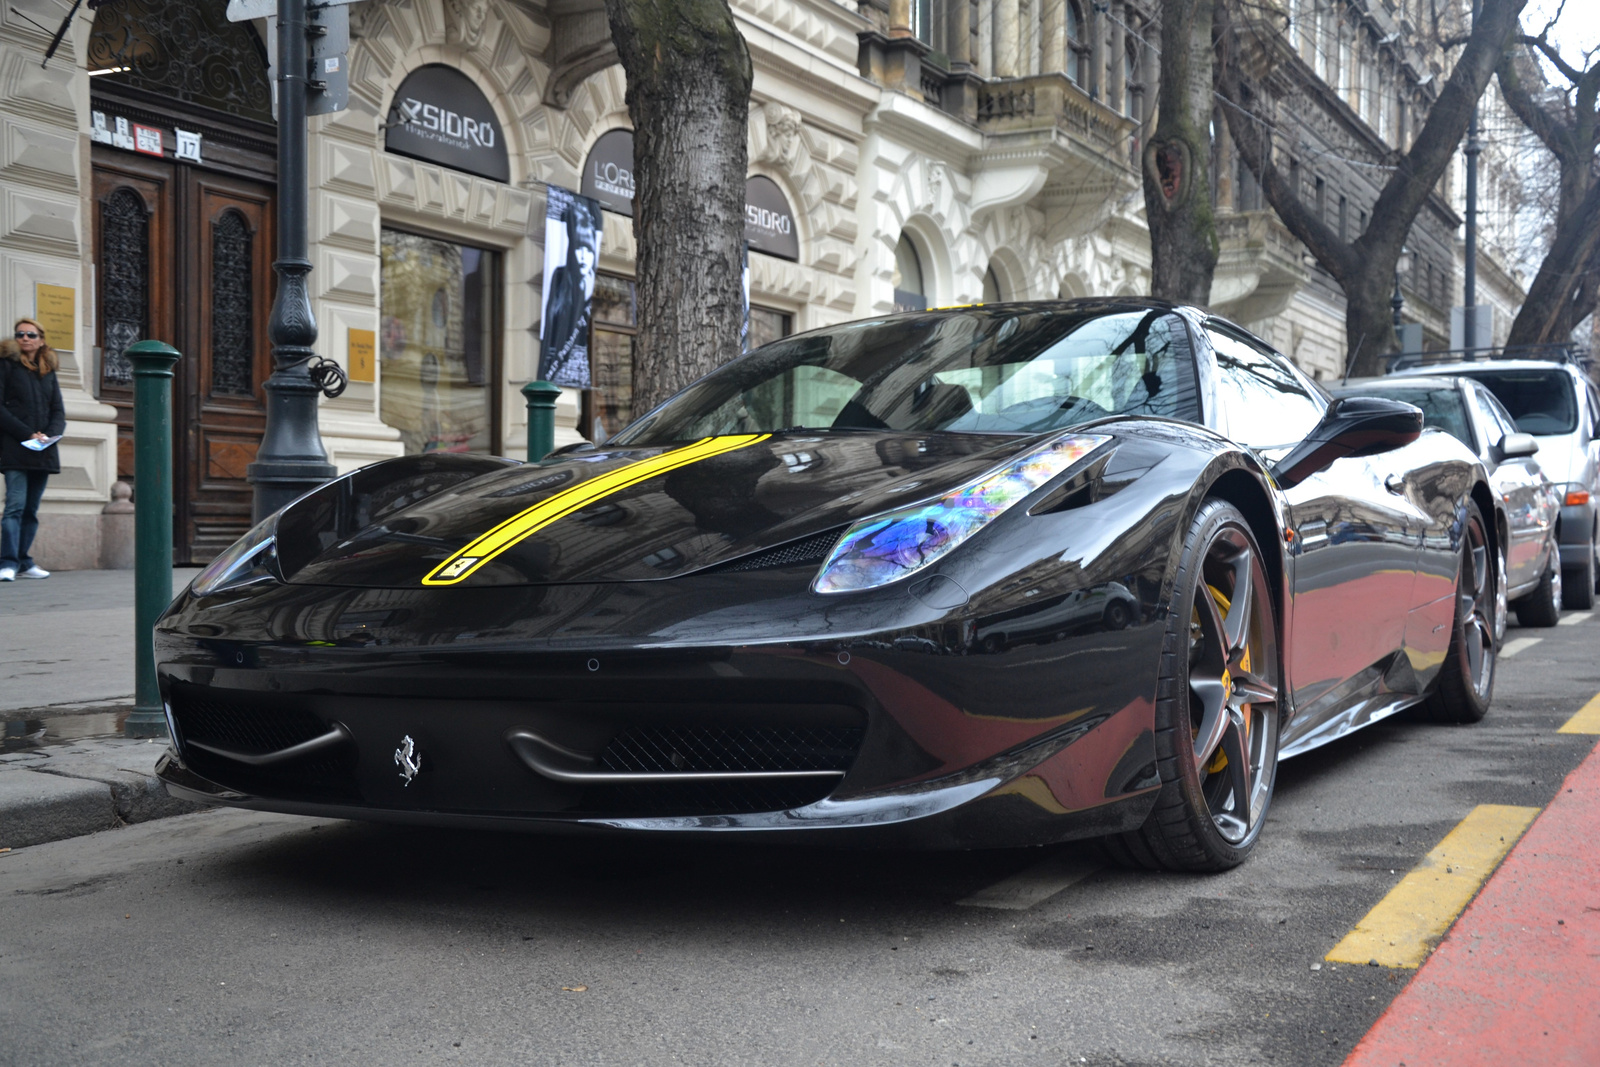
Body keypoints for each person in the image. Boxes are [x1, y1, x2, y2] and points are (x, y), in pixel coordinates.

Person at [0, 318, 66, 581]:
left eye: (31, 334)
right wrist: (28, 433)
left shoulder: (48, 371)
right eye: (20, 334)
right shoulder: (6, 365)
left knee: (30, 509)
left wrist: (49, 435)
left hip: (43, 450)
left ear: (41, 339)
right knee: (14, 507)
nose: (25, 338)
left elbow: (58, 410)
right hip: (16, 448)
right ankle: (7, 562)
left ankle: (25, 561)